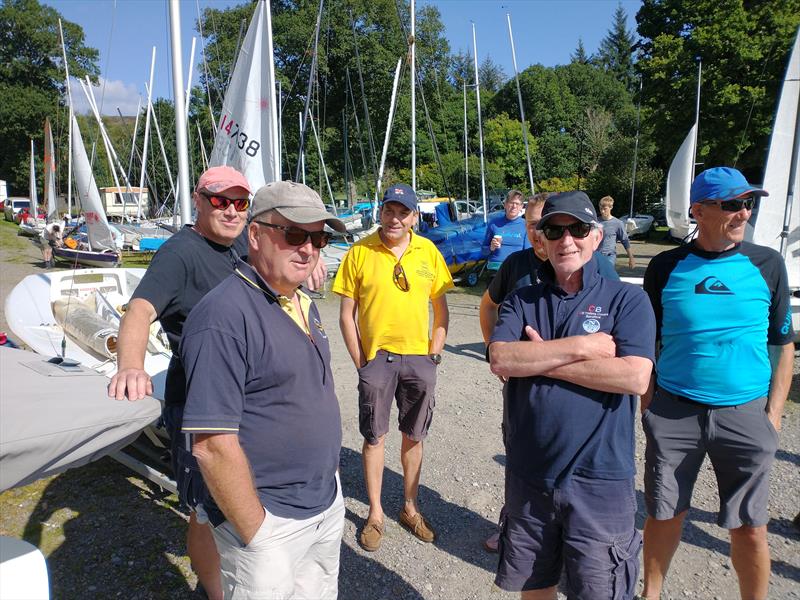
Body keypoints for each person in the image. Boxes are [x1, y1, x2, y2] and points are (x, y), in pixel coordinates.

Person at [107, 166, 326, 599]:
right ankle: (213, 591)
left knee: (240, 491)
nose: (230, 210)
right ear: (199, 200)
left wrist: (305, 262)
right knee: (205, 510)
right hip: (200, 399)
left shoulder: (243, 248)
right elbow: (139, 311)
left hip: (247, 404)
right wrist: (129, 365)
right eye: (219, 200)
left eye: (240, 202)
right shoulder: (181, 252)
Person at [180, 181, 346, 599]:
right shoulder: (223, 316)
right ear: (255, 235)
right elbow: (211, 444)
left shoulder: (301, 301)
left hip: (324, 502)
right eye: (294, 234)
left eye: (318, 237)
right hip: (270, 519)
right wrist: (257, 531)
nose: (308, 248)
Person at [488, 190, 655, 599]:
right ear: (541, 241)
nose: (566, 240)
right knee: (535, 585)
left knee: (600, 591)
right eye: (554, 230)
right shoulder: (521, 299)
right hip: (530, 474)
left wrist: (539, 355)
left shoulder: (628, 299)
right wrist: (582, 348)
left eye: (577, 229)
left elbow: (634, 377)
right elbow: (501, 359)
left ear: (596, 237)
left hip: (600, 479)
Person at [638, 167, 795, 600]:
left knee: (750, 526)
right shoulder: (666, 266)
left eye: (748, 203)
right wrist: (648, 404)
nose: (743, 212)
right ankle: (651, 595)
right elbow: (644, 340)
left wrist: (773, 415)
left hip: (745, 413)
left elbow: (784, 345)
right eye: (731, 204)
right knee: (665, 513)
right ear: (699, 211)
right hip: (673, 410)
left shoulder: (767, 264)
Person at [478, 191, 620, 553]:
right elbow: (489, 307)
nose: (537, 235)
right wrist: (495, 348)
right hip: (524, 391)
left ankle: (572, 539)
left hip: (582, 397)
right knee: (519, 455)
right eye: (531, 227)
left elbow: (616, 345)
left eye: (542, 226)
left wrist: (538, 357)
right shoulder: (515, 264)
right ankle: (513, 523)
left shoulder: (596, 267)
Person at [332, 183, 453, 552]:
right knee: (374, 436)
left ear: (415, 216)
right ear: (380, 212)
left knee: (414, 436)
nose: (395, 218)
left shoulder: (428, 252)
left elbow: (441, 309)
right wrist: (361, 363)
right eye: (389, 210)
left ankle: (410, 507)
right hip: (378, 359)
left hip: (419, 358)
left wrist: (434, 354)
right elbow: (346, 315)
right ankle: (375, 514)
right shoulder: (360, 251)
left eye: (403, 212)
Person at [484, 190, 529, 270]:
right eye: (511, 203)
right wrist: (491, 248)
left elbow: (528, 253)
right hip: (495, 267)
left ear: (521, 207)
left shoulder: (526, 225)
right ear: (505, 205)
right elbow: (483, 251)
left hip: (515, 268)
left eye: (517, 203)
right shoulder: (494, 223)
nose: (514, 206)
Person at [597, 195, 635, 271]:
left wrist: (631, 258)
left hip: (609, 256)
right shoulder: (595, 222)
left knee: (607, 275)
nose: (602, 211)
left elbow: (625, 241)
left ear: (611, 207)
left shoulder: (617, 223)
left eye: (605, 209)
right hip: (596, 255)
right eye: (601, 209)